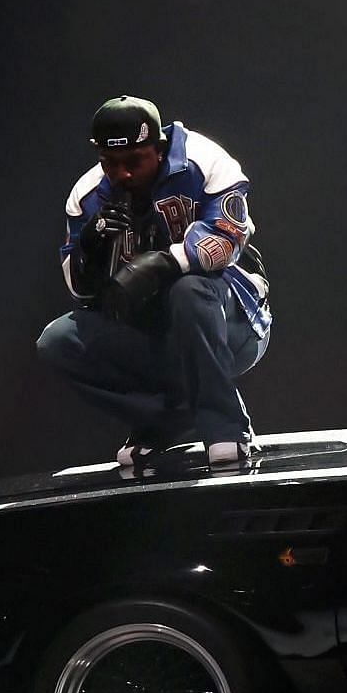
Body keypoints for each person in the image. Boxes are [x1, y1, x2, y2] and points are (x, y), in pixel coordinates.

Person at [35, 96, 272, 466]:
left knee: (188, 290)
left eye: (134, 161)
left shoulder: (205, 161)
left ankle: (226, 425)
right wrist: (91, 249)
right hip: (154, 334)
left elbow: (229, 238)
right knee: (58, 341)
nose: (122, 174)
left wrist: (164, 261)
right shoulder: (87, 196)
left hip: (232, 322)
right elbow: (78, 290)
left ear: (158, 150)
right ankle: (165, 420)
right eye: (110, 164)